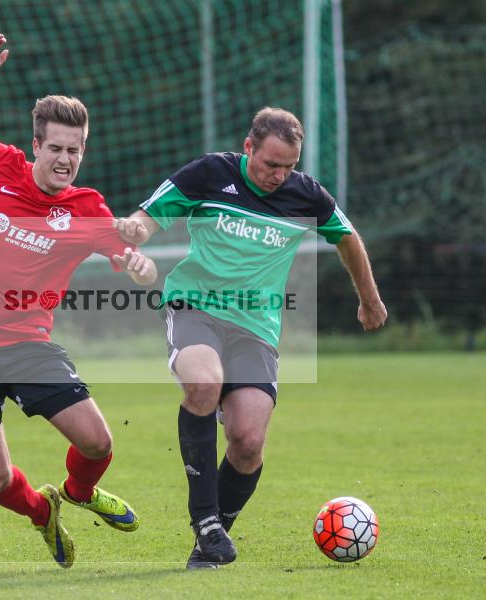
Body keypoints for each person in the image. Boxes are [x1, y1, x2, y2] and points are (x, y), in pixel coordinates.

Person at [0, 30, 156, 569]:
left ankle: (77, 491)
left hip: (24, 344)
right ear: (36, 147)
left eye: (75, 150)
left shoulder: (88, 209)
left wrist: (140, 265)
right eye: (56, 148)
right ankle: (41, 513)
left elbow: (131, 258)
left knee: (98, 443)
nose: (65, 159)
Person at [116, 107, 387, 569]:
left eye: (289, 166)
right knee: (203, 384)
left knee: (247, 441)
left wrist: (370, 300)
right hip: (195, 308)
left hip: (256, 328)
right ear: (248, 148)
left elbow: (348, 239)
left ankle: (210, 540)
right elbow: (147, 217)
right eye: (270, 164)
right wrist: (131, 232)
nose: (279, 175)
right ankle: (204, 520)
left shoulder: (306, 195)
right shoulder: (210, 173)